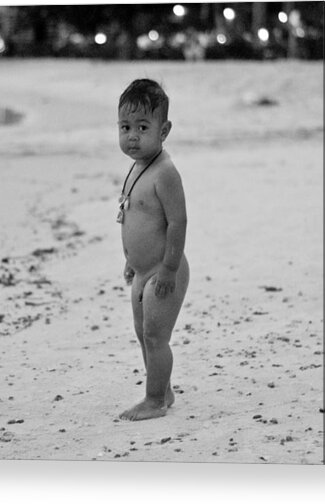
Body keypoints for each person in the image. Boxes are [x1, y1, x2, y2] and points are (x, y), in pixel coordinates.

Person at [116, 79, 189, 421]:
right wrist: (130, 261)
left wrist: (170, 269)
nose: (132, 136)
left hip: (163, 269)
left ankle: (154, 399)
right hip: (142, 270)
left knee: (156, 335)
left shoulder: (166, 173)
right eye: (125, 127)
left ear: (164, 131)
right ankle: (163, 387)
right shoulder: (136, 167)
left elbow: (177, 222)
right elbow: (131, 215)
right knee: (142, 334)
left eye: (143, 128)